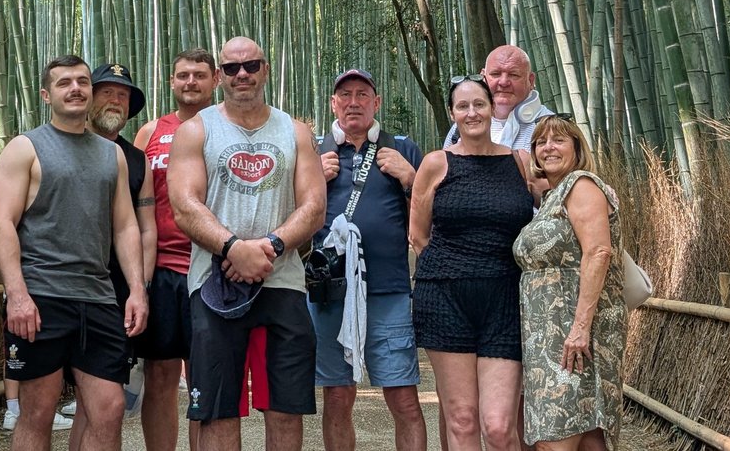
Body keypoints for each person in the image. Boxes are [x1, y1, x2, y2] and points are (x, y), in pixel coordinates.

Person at [167, 36, 326, 451]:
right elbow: (185, 205)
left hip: (283, 283)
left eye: (251, 66)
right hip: (216, 283)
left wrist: (268, 248)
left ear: (265, 70)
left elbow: (314, 206)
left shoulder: (295, 131)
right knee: (220, 408)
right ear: (219, 75)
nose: (242, 74)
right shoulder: (195, 130)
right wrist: (233, 248)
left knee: (286, 408)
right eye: (233, 68)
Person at [0, 55, 148, 451]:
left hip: (96, 298)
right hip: (41, 297)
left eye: (81, 81)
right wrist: (18, 295)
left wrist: (137, 291)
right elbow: (1, 224)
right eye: (64, 83)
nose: (75, 88)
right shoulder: (24, 148)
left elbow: (126, 226)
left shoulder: (112, 155)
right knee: (38, 411)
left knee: (109, 409)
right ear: (47, 94)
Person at [410, 75, 534, 451]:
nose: (472, 112)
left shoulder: (521, 162)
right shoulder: (436, 163)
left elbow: (560, 206)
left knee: (498, 426)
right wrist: (453, 269)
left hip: (505, 300)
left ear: (492, 107)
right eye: (462, 106)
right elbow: (418, 235)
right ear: (452, 114)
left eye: (479, 103)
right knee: (462, 420)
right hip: (446, 298)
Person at [312, 68, 427, 451]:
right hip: (329, 293)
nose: (353, 102)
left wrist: (411, 179)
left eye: (363, 94)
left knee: (403, 397)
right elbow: (290, 218)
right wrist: (313, 179)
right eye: (345, 95)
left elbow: (430, 222)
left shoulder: (403, 148)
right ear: (333, 103)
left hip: (388, 290)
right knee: (338, 396)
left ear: (376, 103)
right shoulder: (314, 151)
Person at [513, 115, 625, 450]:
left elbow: (599, 252)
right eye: (540, 142)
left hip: (574, 332)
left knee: (555, 435)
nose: (548, 147)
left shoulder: (581, 185)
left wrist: (579, 328)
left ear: (576, 147)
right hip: (552, 333)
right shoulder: (553, 195)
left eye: (558, 140)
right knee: (587, 434)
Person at [68, 63, 156, 451]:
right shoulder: (54, 144)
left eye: (122, 95)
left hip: (115, 291)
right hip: (60, 285)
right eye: (107, 91)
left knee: (102, 403)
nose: (115, 100)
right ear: (88, 97)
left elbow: (146, 226)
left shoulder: (137, 160)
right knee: (46, 402)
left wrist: (142, 287)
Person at [134, 48, 217, 451]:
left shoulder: (229, 128)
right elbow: (132, 205)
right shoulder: (150, 132)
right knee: (161, 375)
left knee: (204, 377)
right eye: (183, 75)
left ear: (215, 80)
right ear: (171, 81)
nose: (190, 82)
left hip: (212, 267)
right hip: (163, 268)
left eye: (199, 75)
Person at [443, 45, 552, 152]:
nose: (504, 82)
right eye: (495, 74)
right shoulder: (466, 123)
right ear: (483, 78)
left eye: (514, 75)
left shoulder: (549, 126)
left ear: (531, 81)